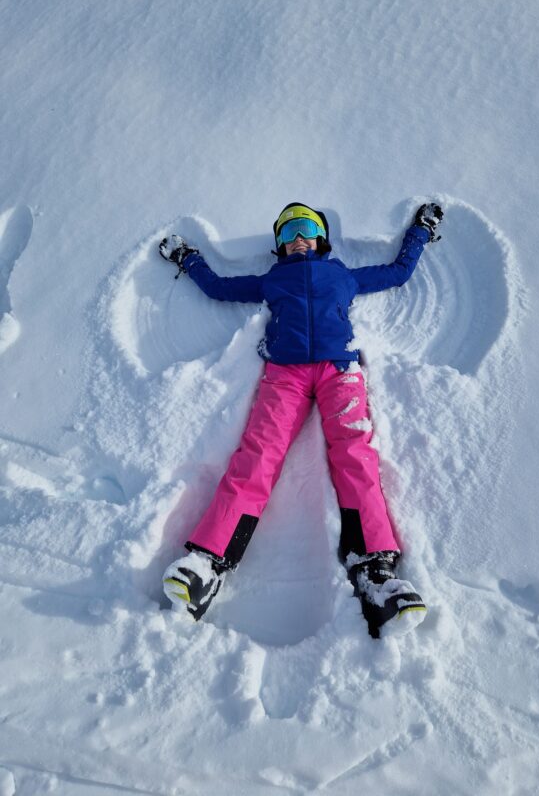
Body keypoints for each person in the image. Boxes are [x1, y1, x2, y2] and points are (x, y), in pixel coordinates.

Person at [160, 202, 443, 638]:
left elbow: (397, 272)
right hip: (284, 376)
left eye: (306, 228)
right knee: (257, 455)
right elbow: (217, 287)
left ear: (322, 237)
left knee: (356, 456)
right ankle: (207, 562)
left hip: (339, 372)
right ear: (279, 244)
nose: (297, 238)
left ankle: (376, 573)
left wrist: (420, 232)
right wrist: (188, 259)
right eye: (288, 232)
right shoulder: (274, 280)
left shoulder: (342, 275)